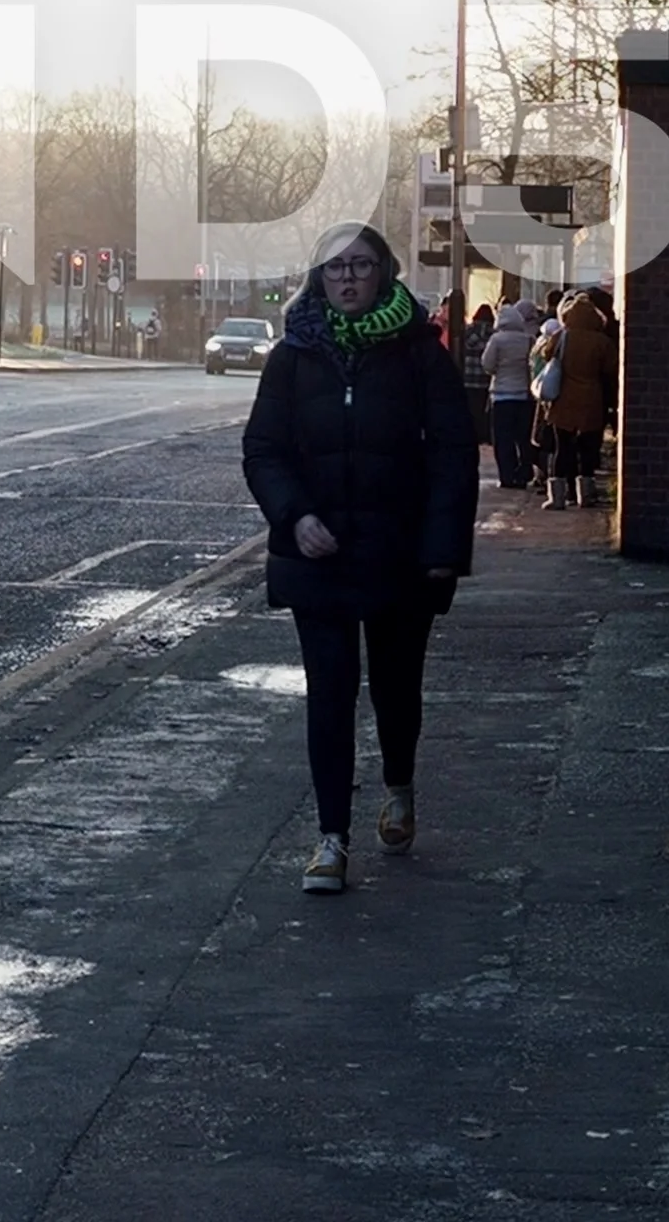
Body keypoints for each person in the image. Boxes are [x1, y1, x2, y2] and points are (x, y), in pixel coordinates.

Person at [241, 223, 477, 895]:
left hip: (399, 556)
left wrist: (442, 552)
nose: (348, 279)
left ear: (384, 273)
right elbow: (264, 450)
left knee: (396, 689)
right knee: (331, 695)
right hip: (318, 556)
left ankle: (398, 786)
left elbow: (453, 455)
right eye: (335, 268)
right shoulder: (292, 356)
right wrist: (295, 516)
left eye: (361, 266)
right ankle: (331, 840)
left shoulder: (419, 353)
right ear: (319, 278)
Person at [541, 287, 620, 509]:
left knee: (562, 448)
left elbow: (546, 355)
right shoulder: (602, 341)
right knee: (587, 449)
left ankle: (557, 497)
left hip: (564, 398)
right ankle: (585, 494)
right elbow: (611, 369)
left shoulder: (562, 336)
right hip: (591, 399)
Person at [482, 297, 542, 489]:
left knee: (503, 439)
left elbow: (487, 365)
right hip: (523, 395)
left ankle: (507, 476)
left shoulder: (496, 340)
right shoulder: (528, 340)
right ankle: (524, 472)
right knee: (523, 437)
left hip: (501, 395)